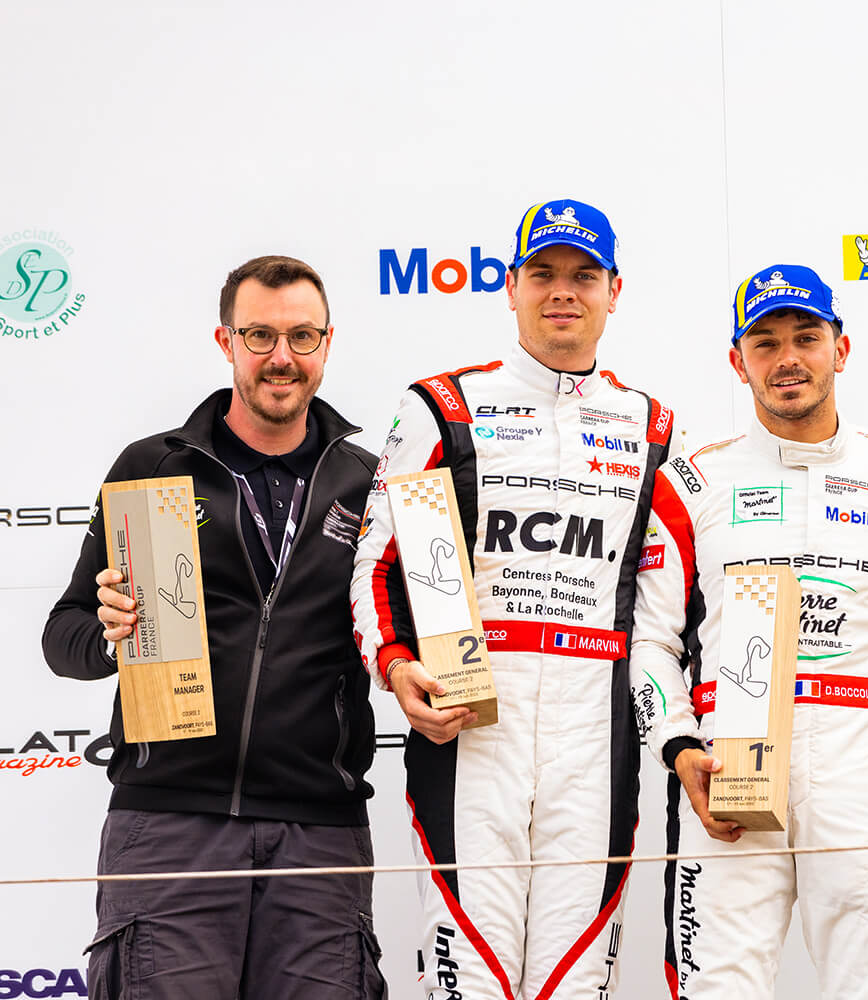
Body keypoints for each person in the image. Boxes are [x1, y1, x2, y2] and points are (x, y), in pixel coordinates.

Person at [349, 199, 674, 1000]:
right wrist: (396, 668)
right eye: (543, 273)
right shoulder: (443, 405)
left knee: (575, 981)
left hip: (595, 738)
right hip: (472, 725)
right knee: (471, 978)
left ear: (614, 291)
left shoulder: (651, 427)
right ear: (510, 287)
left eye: (583, 275)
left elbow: (666, 607)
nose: (563, 291)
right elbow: (378, 563)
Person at [41, 255, 384, 999]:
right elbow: (62, 637)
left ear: (328, 343)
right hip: (169, 824)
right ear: (226, 340)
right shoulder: (154, 467)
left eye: (301, 336)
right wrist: (109, 634)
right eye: (259, 335)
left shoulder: (372, 483)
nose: (281, 357)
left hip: (319, 834)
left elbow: (403, 631)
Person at [629, 264, 868, 998]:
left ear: (840, 349)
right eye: (766, 342)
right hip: (726, 763)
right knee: (717, 989)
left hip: (860, 766)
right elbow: (651, 640)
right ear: (738, 362)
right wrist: (679, 748)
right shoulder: (689, 481)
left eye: (806, 337)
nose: (787, 358)